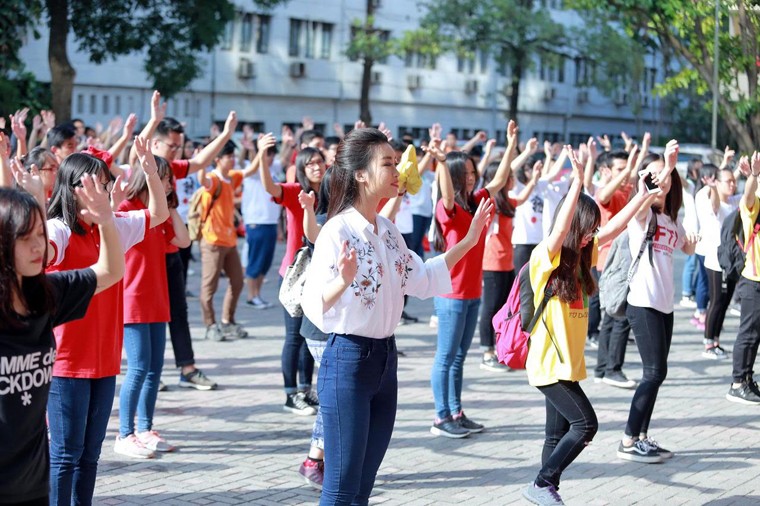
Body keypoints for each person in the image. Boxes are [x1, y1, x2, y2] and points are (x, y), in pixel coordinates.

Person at [301, 128, 492, 505]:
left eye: (395, 162)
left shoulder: (387, 231)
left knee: (364, 484)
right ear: (360, 174)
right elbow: (314, 303)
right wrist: (343, 280)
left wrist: (468, 241)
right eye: (387, 164)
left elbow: (420, 279)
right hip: (348, 362)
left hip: (385, 362)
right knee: (340, 486)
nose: (397, 171)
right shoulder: (337, 231)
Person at [522, 146, 660, 506]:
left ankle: (545, 494)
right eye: (586, 230)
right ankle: (541, 483)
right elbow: (561, 230)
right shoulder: (545, 259)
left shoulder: (584, 257)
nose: (590, 236)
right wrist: (578, 183)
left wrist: (642, 197)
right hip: (548, 367)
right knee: (586, 425)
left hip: (567, 367)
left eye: (592, 232)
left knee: (555, 438)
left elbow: (613, 228)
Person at [45, 142, 168, 501]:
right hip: (67, 361)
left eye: (104, 182)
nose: (101, 189)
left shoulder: (112, 227)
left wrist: (148, 170)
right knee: (65, 455)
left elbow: (157, 214)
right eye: (93, 183)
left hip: (103, 359)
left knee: (90, 455)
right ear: (72, 188)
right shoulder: (58, 230)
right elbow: (39, 255)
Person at [0, 178, 124, 506]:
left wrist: (107, 219)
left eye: (41, 234)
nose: (39, 246)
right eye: (25, 239)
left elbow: (111, 271)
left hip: (33, 483)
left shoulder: (46, 294)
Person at [429, 123, 515, 438]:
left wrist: (511, 145)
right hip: (450, 294)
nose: (470, 175)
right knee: (446, 356)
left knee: (460, 357)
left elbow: (499, 180)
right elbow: (447, 193)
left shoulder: (476, 200)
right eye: (463, 172)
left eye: (471, 170)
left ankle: (456, 411)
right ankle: (441, 417)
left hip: (471, 292)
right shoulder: (446, 207)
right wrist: (440, 162)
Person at [618, 142, 697, 464]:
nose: (661, 183)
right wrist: (666, 163)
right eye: (654, 179)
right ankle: (628, 438)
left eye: (666, 179)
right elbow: (647, 195)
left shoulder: (668, 219)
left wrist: (691, 242)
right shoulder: (642, 215)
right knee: (653, 372)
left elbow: (687, 250)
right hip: (643, 303)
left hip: (665, 306)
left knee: (657, 373)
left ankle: (641, 437)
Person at [116, 153, 187, 456]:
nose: (170, 183)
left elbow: (183, 240)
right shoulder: (127, 210)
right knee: (138, 367)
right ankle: (124, 434)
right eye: (165, 177)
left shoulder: (160, 215)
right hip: (132, 300)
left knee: (155, 369)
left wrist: (170, 206)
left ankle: (145, 428)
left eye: (169, 178)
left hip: (158, 299)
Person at [259, 134, 325, 415]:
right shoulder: (294, 190)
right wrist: (262, 155)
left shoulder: (331, 192)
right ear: (301, 167)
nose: (316, 167)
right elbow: (269, 186)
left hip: (319, 274)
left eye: (320, 162)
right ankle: (290, 395)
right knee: (294, 336)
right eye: (310, 164)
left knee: (310, 335)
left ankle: (305, 390)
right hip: (294, 274)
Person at [197, 122, 263, 341]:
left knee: (236, 281)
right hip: (212, 240)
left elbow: (251, 170)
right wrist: (200, 164)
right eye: (229, 157)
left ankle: (227, 321)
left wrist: (261, 150)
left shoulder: (231, 176)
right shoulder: (214, 179)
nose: (233, 160)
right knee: (209, 286)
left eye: (233, 156)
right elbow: (203, 180)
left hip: (229, 240)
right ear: (218, 160)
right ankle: (209, 324)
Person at [479, 155, 541, 372]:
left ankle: (499, 348)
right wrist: (513, 149)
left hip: (506, 261)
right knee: (490, 307)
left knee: (503, 307)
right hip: (492, 261)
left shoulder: (506, 201)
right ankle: (486, 351)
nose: (513, 179)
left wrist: (534, 179)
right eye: (510, 176)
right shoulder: (492, 201)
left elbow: (522, 199)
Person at [695, 165, 740, 359]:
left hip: (731, 261)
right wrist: (713, 187)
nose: (732, 184)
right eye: (728, 181)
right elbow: (715, 204)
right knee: (716, 301)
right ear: (717, 183)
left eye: (734, 181)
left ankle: (716, 341)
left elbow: (752, 192)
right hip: (715, 260)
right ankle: (708, 344)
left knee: (725, 302)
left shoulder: (734, 201)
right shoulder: (714, 203)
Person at [726, 151, 760, 404]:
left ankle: (747, 379)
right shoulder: (754, 207)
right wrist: (754, 176)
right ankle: (737, 383)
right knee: (748, 333)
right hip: (753, 279)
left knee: (755, 334)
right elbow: (748, 195)